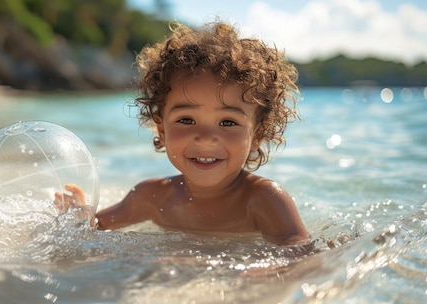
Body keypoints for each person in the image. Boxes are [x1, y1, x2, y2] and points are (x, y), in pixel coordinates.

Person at [59, 21, 309, 246]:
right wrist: (80, 216)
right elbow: (93, 231)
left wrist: (272, 270)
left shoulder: (263, 199)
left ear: (257, 135)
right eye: (186, 120)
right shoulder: (152, 197)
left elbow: (301, 254)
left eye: (228, 122)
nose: (205, 137)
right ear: (162, 130)